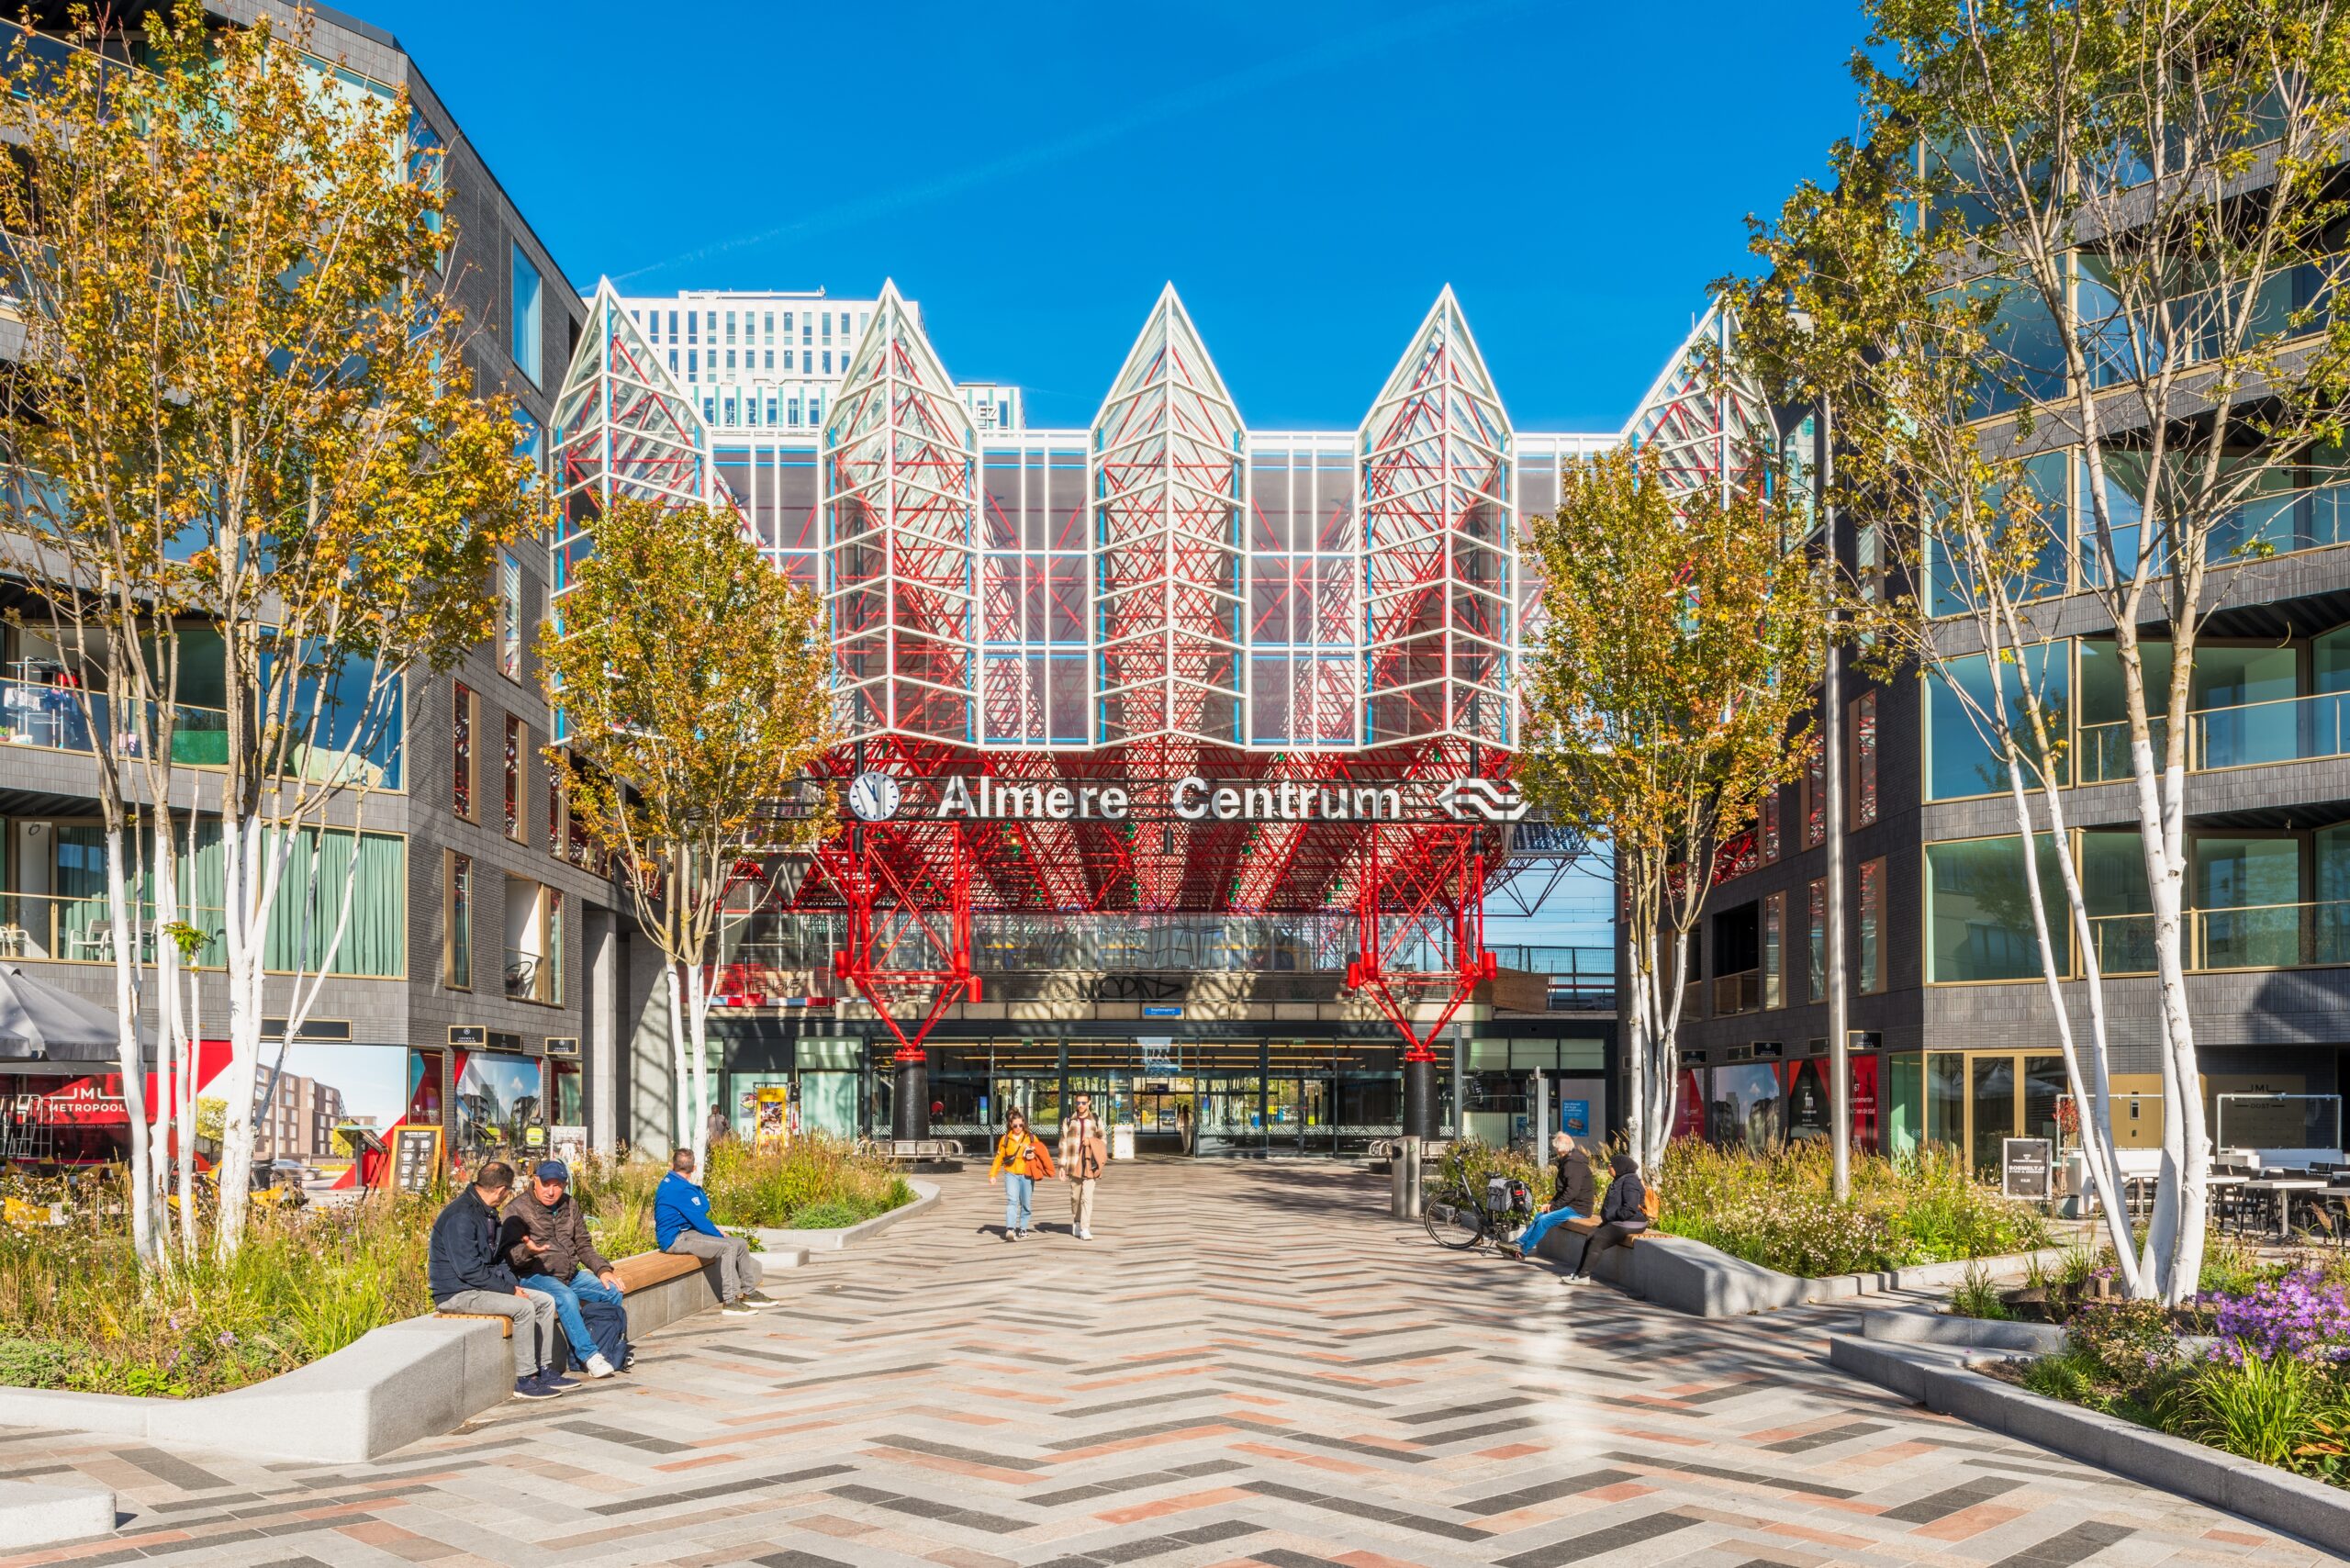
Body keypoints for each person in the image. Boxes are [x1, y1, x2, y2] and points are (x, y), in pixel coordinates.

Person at [428, 1160, 575, 1400]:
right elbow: (468, 1271)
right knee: (524, 1308)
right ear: (500, 1190)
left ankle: (546, 1369)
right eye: (508, 1191)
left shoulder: (486, 1213)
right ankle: (526, 1379)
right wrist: (508, 1290)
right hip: (457, 1293)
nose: (507, 1196)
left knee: (545, 1301)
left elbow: (498, 1260)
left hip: (478, 1288)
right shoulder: (461, 1216)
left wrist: (512, 1286)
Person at [506, 1159, 624, 1378]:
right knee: (566, 1297)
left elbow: (583, 1245)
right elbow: (511, 1255)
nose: (551, 1191)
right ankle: (589, 1356)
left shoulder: (570, 1205)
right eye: (546, 1184)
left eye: (557, 1185)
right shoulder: (517, 1209)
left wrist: (602, 1270)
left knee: (612, 1291)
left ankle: (606, 1348)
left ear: (565, 1184)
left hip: (570, 1274)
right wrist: (529, 1252)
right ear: (535, 1181)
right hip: (534, 1275)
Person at [656, 1148, 782, 1314]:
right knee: (728, 1246)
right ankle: (731, 1301)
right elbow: (701, 1214)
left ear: (672, 1165)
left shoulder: (674, 1182)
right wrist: (718, 1234)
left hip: (687, 1233)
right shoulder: (679, 1189)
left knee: (740, 1243)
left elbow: (697, 1214)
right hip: (675, 1239)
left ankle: (749, 1293)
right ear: (694, 1168)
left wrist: (715, 1230)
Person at [1561, 1153, 1651, 1285]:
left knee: (1597, 1240)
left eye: (1611, 1165)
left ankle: (1583, 1277)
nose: (1608, 1167)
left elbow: (1630, 1207)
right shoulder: (1622, 1179)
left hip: (1632, 1222)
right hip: (1621, 1221)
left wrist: (1614, 1216)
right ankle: (1579, 1273)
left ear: (1619, 1167)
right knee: (1591, 1236)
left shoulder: (1630, 1181)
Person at [1507, 1134, 1594, 1262]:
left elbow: (1572, 1192)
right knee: (1540, 1215)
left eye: (1555, 1147)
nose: (1554, 1150)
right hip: (1571, 1205)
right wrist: (1551, 1204)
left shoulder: (1573, 1164)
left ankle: (1523, 1250)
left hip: (1579, 1208)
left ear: (1560, 1149)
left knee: (1544, 1220)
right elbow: (1562, 1191)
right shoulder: (1569, 1161)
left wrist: (1554, 1207)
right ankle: (1519, 1242)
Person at [988, 1107, 1056, 1240]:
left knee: (1026, 1203)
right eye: (1015, 1125)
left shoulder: (1031, 1137)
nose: (1018, 1127)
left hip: (1027, 1173)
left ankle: (1023, 1228)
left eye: (1020, 1125)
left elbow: (1041, 1154)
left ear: (1024, 1123)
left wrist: (1033, 1157)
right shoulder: (1005, 1139)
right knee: (1012, 1201)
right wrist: (992, 1175)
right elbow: (999, 1158)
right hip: (1011, 1173)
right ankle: (1010, 1229)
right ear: (1010, 1125)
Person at [1059, 1092, 1108, 1240]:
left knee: (1087, 1197)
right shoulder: (1069, 1121)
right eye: (1078, 1103)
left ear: (1089, 1103)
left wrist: (1091, 1142)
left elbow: (1103, 1140)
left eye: (1083, 1103)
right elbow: (1063, 1143)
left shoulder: (1096, 1120)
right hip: (1073, 1163)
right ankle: (1077, 1220)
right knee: (1075, 1197)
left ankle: (1085, 1228)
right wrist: (1061, 1166)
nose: (1080, 1106)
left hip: (1090, 1163)